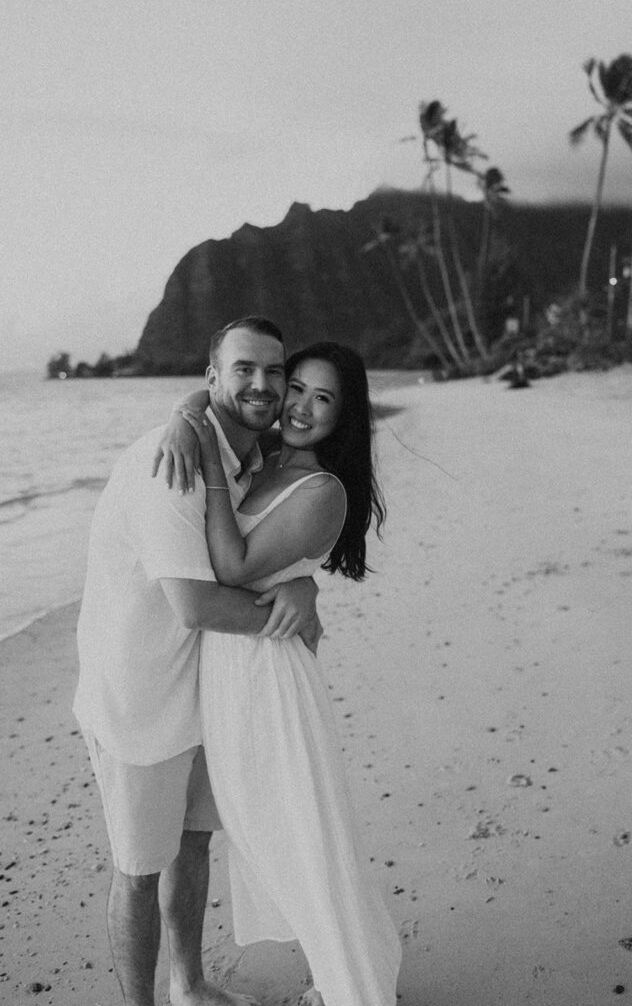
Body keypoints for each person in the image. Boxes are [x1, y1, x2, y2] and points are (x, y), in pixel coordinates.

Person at [74, 316, 322, 1006]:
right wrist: (289, 618)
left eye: (275, 372)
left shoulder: (248, 456)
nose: (262, 384)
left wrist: (297, 582)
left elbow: (253, 555)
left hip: (206, 689)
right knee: (137, 870)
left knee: (192, 843)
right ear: (211, 377)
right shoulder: (173, 462)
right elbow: (195, 605)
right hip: (139, 696)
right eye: (243, 368)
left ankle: (189, 985)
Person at [159, 341, 401, 1006]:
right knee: (264, 832)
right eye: (296, 387)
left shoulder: (322, 490)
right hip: (228, 665)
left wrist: (205, 456)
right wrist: (186, 419)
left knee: (302, 836)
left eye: (322, 399)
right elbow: (204, 402)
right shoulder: (264, 457)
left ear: (343, 417)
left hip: (268, 676)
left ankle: (352, 987)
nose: (299, 406)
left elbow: (234, 567)